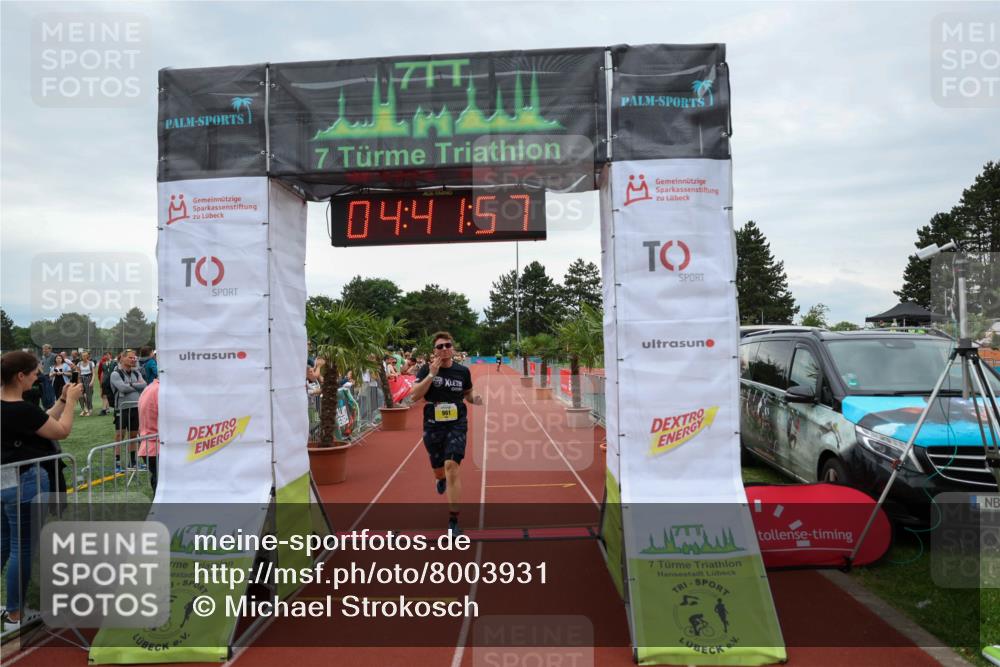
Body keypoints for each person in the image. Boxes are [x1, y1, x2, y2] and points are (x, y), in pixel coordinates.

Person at [1, 351, 83, 629]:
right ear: (20, 376)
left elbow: (41, 421)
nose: (38, 375)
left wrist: (60, 400)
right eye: (34, 372)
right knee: (22, 548)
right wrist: (71, 402)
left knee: (4, 545)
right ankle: (15, 614)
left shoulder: (15, 408)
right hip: (25, 483)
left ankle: (13, 610)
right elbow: (60, 431)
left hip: (5, 481)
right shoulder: (21, 409)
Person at [411, 332, 482, 535]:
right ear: (435, 350)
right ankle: (439, 478)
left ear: (453, 348)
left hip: (457, 423)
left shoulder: (462, 371)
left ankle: (453, 521)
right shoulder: (426, 369)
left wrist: (475, 398)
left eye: (447, 345)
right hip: (433, 424)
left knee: (451, 465)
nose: (444, 349)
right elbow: (414, 395)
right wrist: (432, 375)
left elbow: (468, 392)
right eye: (439, 346)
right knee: (439, 469)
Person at [110, 350, 147, 473]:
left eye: (134, 358)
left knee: (133, 436)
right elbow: (122, 388)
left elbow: (145, 385)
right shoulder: (116, 374)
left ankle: (133, 462)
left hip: (135, 408)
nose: (134, 360)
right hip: (122, 408)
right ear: (122, 358)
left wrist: (130, 384)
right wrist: (136, 385)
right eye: (131, 358)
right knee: (119, 436)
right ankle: (117, 463)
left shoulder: (136, 372)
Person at [138, 378, 160, 491]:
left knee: (157, 479)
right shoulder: (161, 391)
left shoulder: (149, 388)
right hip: (157, 446)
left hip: (147, 445)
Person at [76, 351, 95, 416]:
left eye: (85, 355)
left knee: (88, 396)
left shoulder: (91, 363)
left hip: (89, 378)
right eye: (82, 356)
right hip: (81, 379)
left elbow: (93, 374)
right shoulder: (79, 364)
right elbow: (78, 374)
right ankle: (83, 410)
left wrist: (92, 381)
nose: (83, 357)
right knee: (80, 395)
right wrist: (79, 383)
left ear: (87, 356)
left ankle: (90, 409)